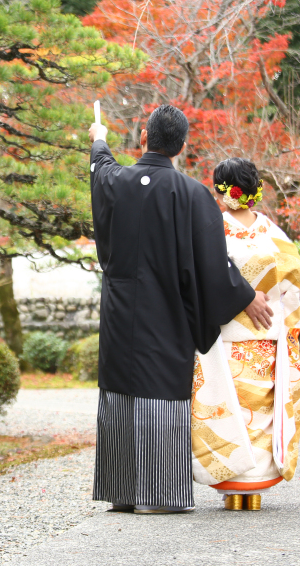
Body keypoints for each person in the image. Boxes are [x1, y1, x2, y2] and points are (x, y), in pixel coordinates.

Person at [87, 105, 274, 514]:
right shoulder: (191, 194)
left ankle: (122, 492)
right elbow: (212, 260)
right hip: (166, 311)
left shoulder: (116, 181)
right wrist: (245, 295)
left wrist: (98, 137)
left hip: (120, 313)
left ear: (142, 138)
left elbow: (100, 166)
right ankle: (156, 496)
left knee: (120, 390)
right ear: (183, 146)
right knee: (160, 389)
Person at [191, 158, 300, 511]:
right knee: (260, 411)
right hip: (267, 334)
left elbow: (202, 278)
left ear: (221, 190)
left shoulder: (214, 229)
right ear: (254, 188)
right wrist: (271, 301)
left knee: (226, 408)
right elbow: (296, 277)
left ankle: (232, 482)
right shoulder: (272, 232)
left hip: (224, 335)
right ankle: (254, 486)